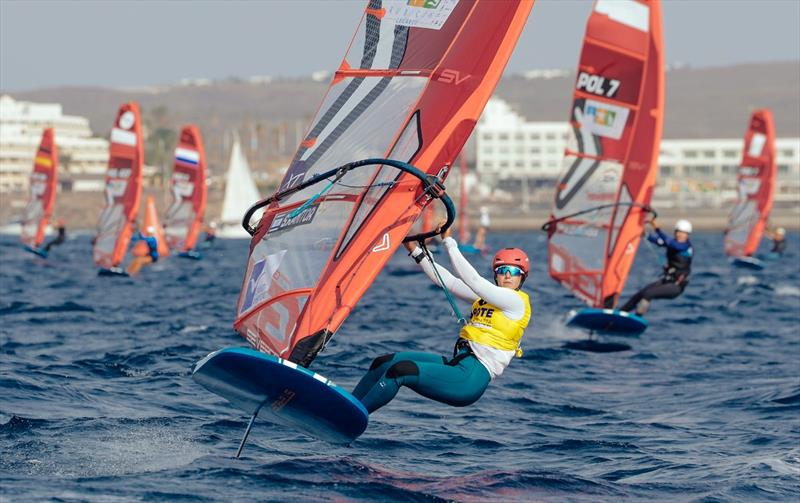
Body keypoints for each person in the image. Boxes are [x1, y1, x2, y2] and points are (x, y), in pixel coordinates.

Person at [352, 226, 532, 414]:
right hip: (459, 363)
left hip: (469, 380)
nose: (508, 275)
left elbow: (475, 281)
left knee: (401, 371)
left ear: (523, 276)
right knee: (384, 362)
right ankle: (347, 405)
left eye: (514, 271)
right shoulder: (485, 299)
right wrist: (415, 250)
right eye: (503, 269)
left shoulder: (516, 302)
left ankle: (354, 416)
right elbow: (449, 282)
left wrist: (449, 241)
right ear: (496, 274)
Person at [620, 219, 693, 316]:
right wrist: (646, 235)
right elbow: (660, 241)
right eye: (678, 232)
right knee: (642, 293)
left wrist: (657, 230)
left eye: (683, 233)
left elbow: (670, 243)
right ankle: (620, 313)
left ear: (687, 235)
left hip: (676, 287)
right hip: (667, 281)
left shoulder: (685, 247)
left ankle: (636, 318)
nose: (679, 235)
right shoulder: (673, 243)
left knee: (648, 294)